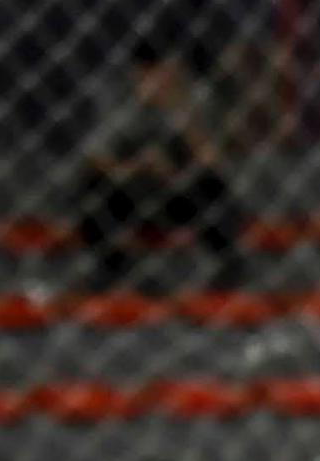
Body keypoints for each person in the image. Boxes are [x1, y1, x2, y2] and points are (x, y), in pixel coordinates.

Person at [71, 48, 245, 293]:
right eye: (150, 74)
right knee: (91, 187)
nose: (159, 81)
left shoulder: (196, 99)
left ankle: (227, 268)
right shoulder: (120, 101)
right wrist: (136, 167)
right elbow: (93, 159)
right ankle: (111, 268)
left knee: (213, 187)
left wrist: (181, 116)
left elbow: (213, 162)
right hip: (130, 191)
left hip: (178, 192)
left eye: (167, 73)